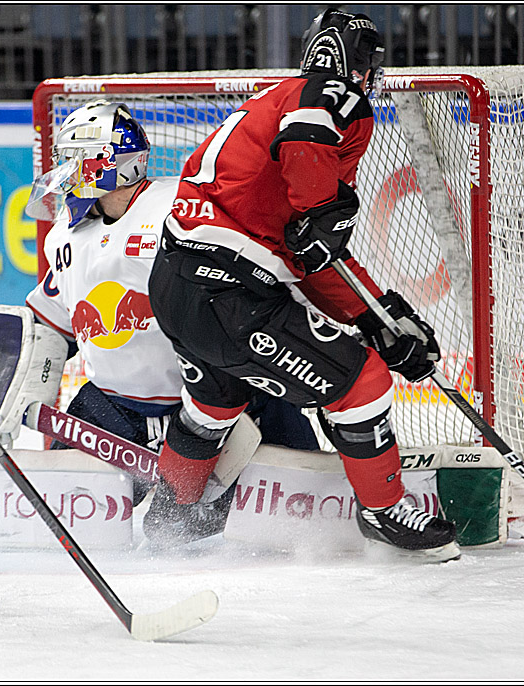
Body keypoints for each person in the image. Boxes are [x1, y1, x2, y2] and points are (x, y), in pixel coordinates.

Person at [146, 9, 460, 561]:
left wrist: (380, 318)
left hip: (179, 283)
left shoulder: (275, 102)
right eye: (368, 60)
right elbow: (308, 156)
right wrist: (322, 208)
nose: (370, 73)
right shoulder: (325, 96)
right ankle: (383, 510)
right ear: (353, 60)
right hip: (229, 292)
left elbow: (312, 257)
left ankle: (170, 519)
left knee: (215, 401)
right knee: (362, 382)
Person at [24, 100, 320, 547]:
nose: (64, 171)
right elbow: (51, 321)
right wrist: (20, 382)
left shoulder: (178, 210)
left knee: (302, 517)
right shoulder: (67, 230)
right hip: (113, 409)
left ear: (104, 163)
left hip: (224, 407)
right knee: (59, 529)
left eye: (72, 159)